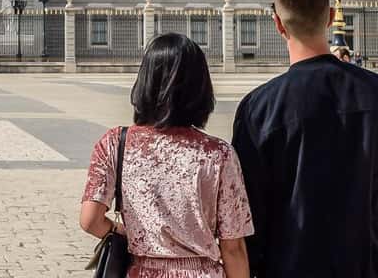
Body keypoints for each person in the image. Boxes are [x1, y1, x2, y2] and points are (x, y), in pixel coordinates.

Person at [233, 0, 378, 277]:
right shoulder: (374, 92)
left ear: (277, 24)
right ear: (331, 16)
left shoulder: (259, 109)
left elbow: (247, 213)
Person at [81, 33, 253, 277]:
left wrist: (126, 232)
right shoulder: (218, 154)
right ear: (201, 88)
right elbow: (233, 246)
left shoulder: (114, 143)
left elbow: (90, 220)